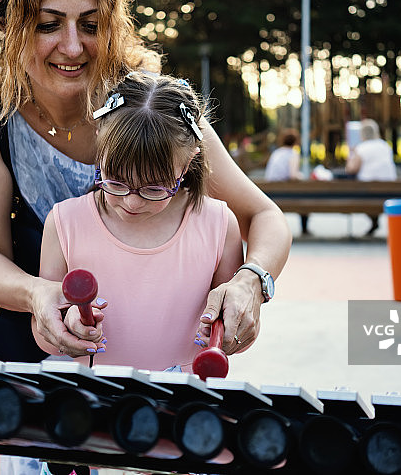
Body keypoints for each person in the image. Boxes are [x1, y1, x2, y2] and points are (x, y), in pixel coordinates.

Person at [0, 0, 289, 371]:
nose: (72, 46)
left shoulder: (144, 105)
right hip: (43, 353)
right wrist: (38, 293)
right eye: (48, 24)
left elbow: (264, 216)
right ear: (6, 25)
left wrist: (250, 280)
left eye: (90, 25)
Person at [35, 72, 244, 373]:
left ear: (188, 163)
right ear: (99, 145)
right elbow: (43, 332)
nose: (132, 202)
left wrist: (225, 333)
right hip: (90, 401)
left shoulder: (219, 225)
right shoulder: (65, 222)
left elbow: (238, 326)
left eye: (154, 188)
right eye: (116, 182)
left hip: (184, 404)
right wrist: (67, 326)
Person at [345, 119, 397, 235]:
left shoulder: (361, 148)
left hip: (368, 193)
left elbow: (351, 169)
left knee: (360, 194)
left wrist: (350, 157)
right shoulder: (385, 146)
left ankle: (374, 221)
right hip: (389, 191)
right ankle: (374, 222)